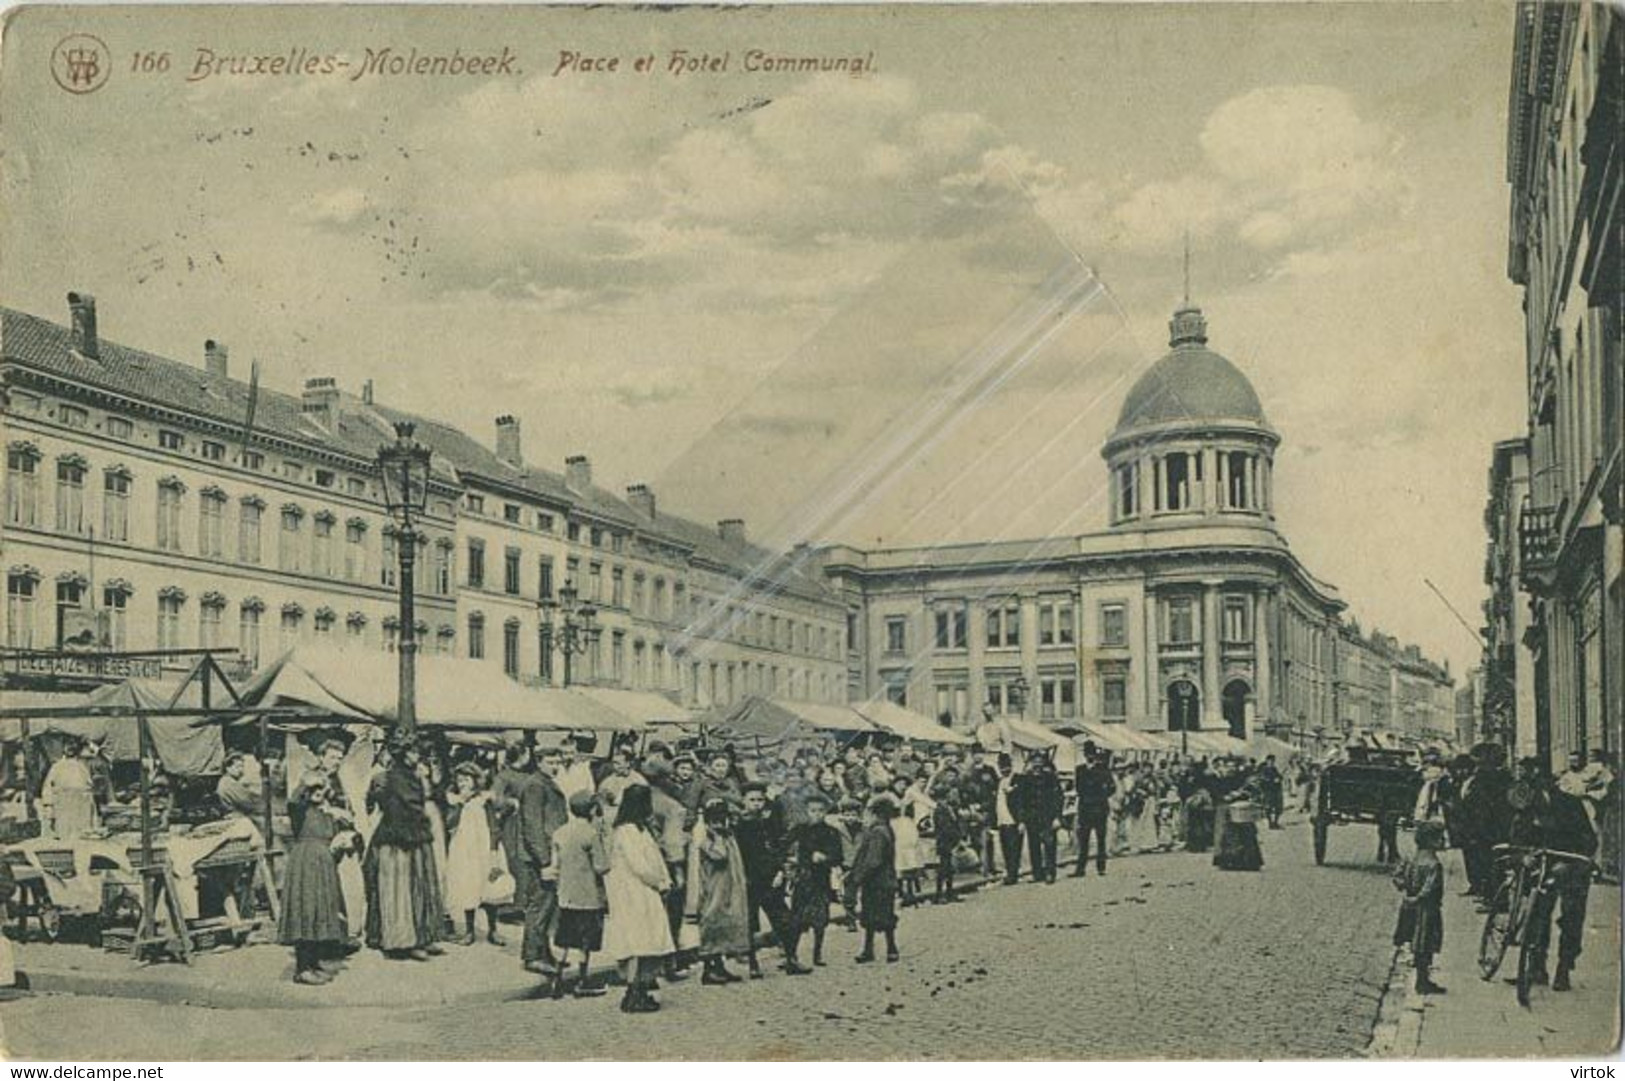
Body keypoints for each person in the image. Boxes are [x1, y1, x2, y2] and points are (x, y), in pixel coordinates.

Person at [1515, 760, 1598, 992]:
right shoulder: (1526, 808)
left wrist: (1567, 862)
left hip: (1572, 867)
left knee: (1571, 917)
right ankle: (1536, 966)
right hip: (1542, 866)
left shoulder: (1570, 805)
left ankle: (1564, 968)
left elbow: (1589, 840)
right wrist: (1524, 856)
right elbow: (1518, 838)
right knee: (1537, 914)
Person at [363, 736, 445, 960]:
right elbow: (404, 808)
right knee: (402, 890)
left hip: (414, 836)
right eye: (413, 752)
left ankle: (422, 936)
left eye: (417, 752)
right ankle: (404, 941)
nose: (417, 756)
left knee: (420, 887)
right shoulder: (395, 777)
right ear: (403, 754)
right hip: (398, 839)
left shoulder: (411, 775)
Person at [602, 784, 674, 1014]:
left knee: (648, 939)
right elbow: (639, 865)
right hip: (632, 892)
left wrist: (666, 878)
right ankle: (632, 991)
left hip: (645, 891)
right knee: (636, 940)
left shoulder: (641, 829)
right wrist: (658, 882)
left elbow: (655, 857)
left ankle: (642, 987)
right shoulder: (625, 832)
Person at [279, 772, 350, 985]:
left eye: (321, 789)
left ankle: (313, 962)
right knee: (306, 911)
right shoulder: (300, 811)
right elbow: (292, 800)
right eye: (313, 790)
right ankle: (302, 969)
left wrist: (344, 841)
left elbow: (334, 838)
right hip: (305, 864)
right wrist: (304, 783)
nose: (318, 793)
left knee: (320, 912)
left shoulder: (327, 813)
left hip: (323, 865)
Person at [734, 782, 807, 977]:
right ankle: (753, 965)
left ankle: (791, 959)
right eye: (752, 800)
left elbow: (777, 849)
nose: (756, 804)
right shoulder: (739, 826)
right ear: (744, 801)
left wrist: (780, 871)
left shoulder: (770, 823)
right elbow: (739, 856)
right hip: (750, 881)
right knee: (750, 924)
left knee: (787, 921)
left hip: (771, 881)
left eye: (760, 800)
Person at [550, 790, 611, 998]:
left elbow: (555, 864)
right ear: (593, 809)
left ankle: (557, 980)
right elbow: (601, 866)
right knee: (585, 941)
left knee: (565, 938)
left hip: (566, 894)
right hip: (588, 896)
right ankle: (582, 981)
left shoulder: (560, 832)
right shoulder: (591, 834)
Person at [517, 745, 570, 975]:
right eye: (550, 762)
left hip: (550, 854)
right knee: (539, 906)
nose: (555, 766)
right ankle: (532, 956)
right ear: (539, 762)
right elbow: (533, 827)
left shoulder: (544, 782)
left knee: (548, 907)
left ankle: (543, 952)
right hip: (540, 857)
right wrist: (545, 861)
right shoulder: (535, 786)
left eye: (557, 762)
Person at [685, 798, 750, 986]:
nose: (719, 821)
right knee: (711, 923)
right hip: (713, 888)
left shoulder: (727, 834)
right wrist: (718, 836)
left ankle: (719, 965)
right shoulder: (704, 835)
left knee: (724, 924)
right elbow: (718, 855)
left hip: (729, 886)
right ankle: (708, 969)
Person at [444, 762, 508, 947]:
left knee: (489, 887)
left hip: (484, 848)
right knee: (467, 888)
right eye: (459, 779)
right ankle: (469, 931)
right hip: (464, 850)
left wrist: (494, 851)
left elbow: (494, 827)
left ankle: (493, 930)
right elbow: (450, 824)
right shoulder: (454, 800)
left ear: (475, 781)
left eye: (466, 779)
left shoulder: (484, 800)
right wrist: (459, 803)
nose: (462, 783)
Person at [786, 790, 844, 966]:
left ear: (825, 812)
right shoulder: (799, 830)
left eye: (820, 810)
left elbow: (838, 857)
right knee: (796, 919)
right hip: (802, 879)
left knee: (820, 920)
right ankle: (792, 955)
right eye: (813, 810)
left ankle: (817, 954)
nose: (816, 814)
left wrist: (825, 858)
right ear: (806, 811)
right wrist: (793, 859)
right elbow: (784, 847)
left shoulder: (831, 832)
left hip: (820, 881)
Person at [1392, 819, 1447, 995]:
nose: (1443, 841)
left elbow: (1398, 877)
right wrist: (1418, 898)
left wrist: (1407, 891)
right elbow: (1429, 888)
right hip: (1427, 910)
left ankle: (1421, 979)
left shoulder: (1411, 859)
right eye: (1440, 838)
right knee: (1425, 945)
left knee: (1416, 944)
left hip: (1409, 907)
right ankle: (1422, 982)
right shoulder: (1434, 864)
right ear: (1431, 841)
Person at [845, 794, 900, 964]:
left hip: (877, 882)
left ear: (876, 813)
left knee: (874, 916)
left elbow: (873, 860)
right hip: (886, 880)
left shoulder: (877, 832)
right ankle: (886, 949)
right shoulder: (886, 828)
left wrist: (858, 877)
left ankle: (880, 949)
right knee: (882, 915)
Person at [40, 737, 97, 839]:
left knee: (83, 836)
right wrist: (48, 807)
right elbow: (47, 787)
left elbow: (90, 787)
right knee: (65, 834)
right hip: (63, 805)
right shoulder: (56, 767)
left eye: (73, 745)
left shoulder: (83, 766)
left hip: (81, 805)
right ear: (63, 748)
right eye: (67, 745)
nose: (70, 748)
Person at [1073, 744, 1115, 876]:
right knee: (1083, 840)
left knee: (1100, 839)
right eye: (1088, 754)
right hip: (1085, 808)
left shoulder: (1102, 769)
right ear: (1085, 755)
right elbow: (1079, 788)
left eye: (1092, 754)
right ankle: (1081, 868)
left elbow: (1112, 787)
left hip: (1099, 808)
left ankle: (1101, 867)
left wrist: (1102, 795)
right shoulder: (1079, 770)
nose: (1090, 757)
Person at [1020, 756, 1063, 883]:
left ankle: (1050, 873)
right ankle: (1037, 873)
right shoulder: (1026, 779)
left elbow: (1058, 798)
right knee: (1034, 846)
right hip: (1032, 817)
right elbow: (1022, 800)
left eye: (1040, 763)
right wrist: (1022, 820)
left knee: (1049, 845)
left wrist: (1057, 817)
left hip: (1047, 816)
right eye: (1034, 763)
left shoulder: (1050, 778)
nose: (1037, 766)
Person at [1212, 791, 1264, 872]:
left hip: (1242, 804)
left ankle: (1247, 861)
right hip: (1225, 803)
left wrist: (1242, 792)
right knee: (1228, 831)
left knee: (1245, 831)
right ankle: (1230, 860)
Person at [992, 754, 1023, 885]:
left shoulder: (1018, 780)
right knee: (1005, 847)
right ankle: (1009, 872)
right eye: (1001, 767)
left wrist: (1022, 821)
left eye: (1006, 767)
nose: (1004, 770)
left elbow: (1022, 802)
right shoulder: (999, 781)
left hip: (1013, 819)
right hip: (1002, 819)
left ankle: (1013, 874)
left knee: (1014, 848)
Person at [931, 787, 965, 903]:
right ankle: (939, 894)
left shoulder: (950, 809)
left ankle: (949, 892)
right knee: (943, 869)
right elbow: (945, 827)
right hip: (944, 842)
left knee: (949, 869)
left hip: (950, 841)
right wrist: (955, 837)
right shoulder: (940, 810)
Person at [215, 752, 261, 819]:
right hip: (236, 817)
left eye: (242, 766)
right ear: (228, 768)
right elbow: (247, 802)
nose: (241, 770)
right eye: (238, 767)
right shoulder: (229, 782)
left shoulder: (227, 781)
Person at [1258, 756, 1285, 830]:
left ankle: (1275, 822)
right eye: (1270, 761)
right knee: (1268, 808)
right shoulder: (1264, 770)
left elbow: (1279, 776)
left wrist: (1279, 778)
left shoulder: (1274, 769)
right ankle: (1270, 823)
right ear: (1267, 761)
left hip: (1276, 791)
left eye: (1273, 761)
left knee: (1278, 808)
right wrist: (1272, 781)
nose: (1271, 762)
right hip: (1268, 791)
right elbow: (1262, 780)